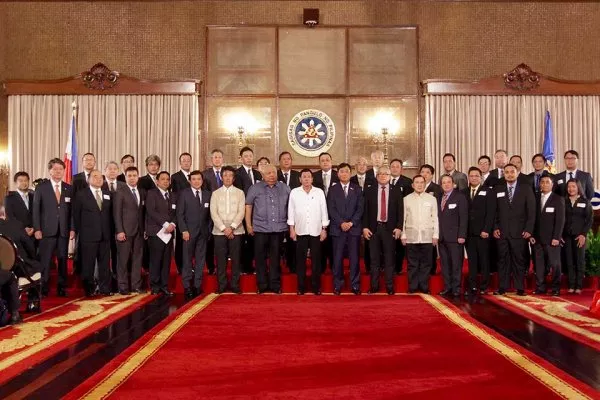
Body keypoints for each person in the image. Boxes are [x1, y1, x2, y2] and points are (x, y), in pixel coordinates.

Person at [33, 158, 75, 297]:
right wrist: (37, 228)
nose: (58, 171)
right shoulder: (41, 187)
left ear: (64, 171)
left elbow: (72, 212)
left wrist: (72, 229)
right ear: (50, 170)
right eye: (55, 169)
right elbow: (36, 210)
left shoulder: (68, 188)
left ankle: (62, 287)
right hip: (46, 231)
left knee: (63, 260)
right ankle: (43, 288)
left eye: (60, 169)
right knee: (45, 260)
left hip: (63, 230)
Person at [245, 165, 290, 294]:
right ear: (262, 175)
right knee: (260, 258)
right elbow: (248, 206)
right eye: (268, 173)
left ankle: (275, 285)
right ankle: (262, 285)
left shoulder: (284, 188)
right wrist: (249, 225)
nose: (272, 175)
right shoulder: (255, 188)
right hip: (260, 229)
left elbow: (292, 207)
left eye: (274, 173)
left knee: (275, 258)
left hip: (278, 229)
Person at [493, 163, 536, 296]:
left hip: (520, 232)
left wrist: (529, 229)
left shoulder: (526, 189)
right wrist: (495, 227)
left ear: (517, 173)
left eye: (512, 172)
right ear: (503, 174)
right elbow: (494, 211)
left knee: (519, 260)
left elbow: (532, 211)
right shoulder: (498, 189)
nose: (510, 174)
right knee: (502, 260)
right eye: (507, 172)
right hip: (502, 232)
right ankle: (502, 287)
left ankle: (520, 287)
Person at [362, 166, 403, 295]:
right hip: (373, 229)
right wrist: (365, 227)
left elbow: (400, 211)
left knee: (389, 259)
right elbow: (365, 211)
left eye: (386, 174)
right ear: (376, 176)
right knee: (374, 260)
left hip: (390, 229)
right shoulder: (369, 190)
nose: (383, 176)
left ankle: (389, 287)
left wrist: (399, 227)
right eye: (380, 174)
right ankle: (374, 287)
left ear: (390, 176)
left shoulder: (396, 190)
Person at [288, 169, 329, 295]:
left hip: (316, 231)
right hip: (300, 230)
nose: (306, 179)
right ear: (300, 179)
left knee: (316, 261)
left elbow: (324, 211)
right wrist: (292, 229)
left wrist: (324, 229)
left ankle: (316, 287)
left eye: (309, 177)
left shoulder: (319, 192)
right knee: (300, 261)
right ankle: (301, 287)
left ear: (312, 179)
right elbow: (291, 211)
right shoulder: (294, 192)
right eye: (304, 177)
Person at [73, 170, 113, 297]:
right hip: (88, 236)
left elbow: (111, 215)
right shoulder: (81, 194)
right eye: (95, 176)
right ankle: (89, 289)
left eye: (101, 177)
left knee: (105, 264)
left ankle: (105, 289)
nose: (98, 179)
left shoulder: (108, 194)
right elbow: (76, 216)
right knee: (88, 264)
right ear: (88, 179)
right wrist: (78, 232)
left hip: (105, 235)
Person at [328, 163, 363, 295]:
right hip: (338, 229)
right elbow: (331, 209)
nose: (344, 174)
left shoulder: (357, 189)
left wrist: (351, 223)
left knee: (354, 259)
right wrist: (341, 222)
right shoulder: (333, 190)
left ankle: (355, 285)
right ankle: (338, 285)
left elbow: (360, 209)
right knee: (337, 259)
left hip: (353, 229)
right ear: (337, 174)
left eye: (347, 171)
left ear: (350, 173)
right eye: (341, 171)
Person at [210, 166, 245, 294]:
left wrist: (232, 227)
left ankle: (235, 285)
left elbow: (241, 212)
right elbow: (213, 213)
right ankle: (222, 285)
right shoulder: (215, 193)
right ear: (221, 177)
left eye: (230, 175)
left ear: (234, 178)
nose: (228, 178)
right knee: (221, 260)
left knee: (236, 259)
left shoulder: (240, 193)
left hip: (237, 230)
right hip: (219, 231)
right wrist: (224, 228)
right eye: (225, 175)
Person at [177, 171, 212, 300]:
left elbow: (210, 216)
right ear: (190, 181)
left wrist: (208, 230)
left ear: (202, 181)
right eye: (194, 179)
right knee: (187, 261)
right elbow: (180, 214)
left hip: (203, 233)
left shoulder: (208, 194)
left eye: (199, 179)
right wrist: (184, 230)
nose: (196, 181)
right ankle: (187, 287)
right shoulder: (184, 194)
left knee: (200, 261)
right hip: (188, 233)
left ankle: (197, 286)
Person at [401, 175, 438, 294]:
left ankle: (424, 286)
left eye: (422, 182)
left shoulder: (431, 199)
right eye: (417, 182)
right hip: (411, 236)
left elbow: (435, 218)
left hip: (427, 236)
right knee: (412, 263)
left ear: (425, 184)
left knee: (426, 264)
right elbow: (403, 219)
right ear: (413, 185)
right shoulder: (406, 199)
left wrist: (435, 234)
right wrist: (403, 234)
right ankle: (413, 286)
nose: (419, 184)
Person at [462, 167, 495, 295]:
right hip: (469, 233)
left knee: (484, 260)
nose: (474, 178)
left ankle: (484, 285)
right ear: (468, 178)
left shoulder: (488, 191)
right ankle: (472, 286)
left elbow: (491, 212)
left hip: (483, 232)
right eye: (471, 176)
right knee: (472, 260)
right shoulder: (463, 192)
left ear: (480, 177)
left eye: (476, 175)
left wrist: (486, 229)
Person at [113, 166, 146, 295]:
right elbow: (116, 214)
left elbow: (141, 212)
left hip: (139, 231)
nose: (132, 178)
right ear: (125, 177)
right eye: (129, 176)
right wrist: (119, 231)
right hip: (124, 231)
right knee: (123, 260)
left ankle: (136, 285)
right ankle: (122, 286)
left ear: (138, 177)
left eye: (134, 175)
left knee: (138, 258)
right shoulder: (120, 192)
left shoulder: (141, 191)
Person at [0, 213, 42, 313]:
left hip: (2, 270)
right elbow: (30, 247)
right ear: (4, 214)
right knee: (37, 266)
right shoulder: (16, 225)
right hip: (18, 268)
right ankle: (33, 302)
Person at [530, 176, 565, 296]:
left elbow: (560, 220)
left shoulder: (558, 199)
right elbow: (532, 218)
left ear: (552, 185)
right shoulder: (535, 198)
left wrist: (557, 237)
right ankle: (541, 287)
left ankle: (555, 288)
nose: (544, 184)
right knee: (539, 265)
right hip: (537, 238)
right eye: (542, 182)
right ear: (540, 184)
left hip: (552, 239)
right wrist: (531, 235)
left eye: (547, 182)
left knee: (555, 265)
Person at [145, 171, 177, 296]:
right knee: (155, 261)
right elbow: (151, 211)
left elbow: (176, 213)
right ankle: (155, 286)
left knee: (166, 261)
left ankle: (164, 286)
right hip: (157, 232)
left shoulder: (173, 195)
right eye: (162, 179)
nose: (165, 181)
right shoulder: (151, 193)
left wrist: (173, 225)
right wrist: (165, 224)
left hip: (169, 233)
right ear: (157, 181)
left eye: (167, 179)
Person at [437, 175, 468, 297]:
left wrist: (462, 235)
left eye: (448, 182)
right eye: (443, 182)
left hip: (456, 238)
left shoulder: (460, 197)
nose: (446, 184)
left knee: (456, 264)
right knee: (445, 265)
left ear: (453, 184)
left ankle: (456, 288)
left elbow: (464, 218)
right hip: (441, 237)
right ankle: (447, 287)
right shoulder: (438, 197)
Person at [563, 179, 593, 294]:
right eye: (569, 187)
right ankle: (571, 285)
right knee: (569, 261)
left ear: (578, 187)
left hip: (579, 236)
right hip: (567, 236)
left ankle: (579, 286)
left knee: (579, 261)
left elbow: (589, 220)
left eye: (573, 186)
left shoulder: (585, 201)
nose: (571, 189)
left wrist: (583, 234)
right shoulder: (563, 201)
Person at [236, 146, 262, 275]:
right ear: (241, 158)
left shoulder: (257, 173)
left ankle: (252, 265)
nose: (249, 158)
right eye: (246, 156)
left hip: (257, 212)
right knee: (243, 241)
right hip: (242, 211)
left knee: (254, 241)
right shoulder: (237, 173)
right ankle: (243, 266)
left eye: (251, 156)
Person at [103, 161, 126, 291]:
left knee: (119, 253)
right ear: (105, 171)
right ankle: (106, 279)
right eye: (109, 169)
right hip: (105, 225)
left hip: (121, 226)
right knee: (105, 254)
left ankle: (118, 278)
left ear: (118, 171)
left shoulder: (123, 186)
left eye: (114, 169)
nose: (112, 171)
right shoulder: (101, 185)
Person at [277, 151, 300, 273]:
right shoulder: (274, 175)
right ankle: (278, 265)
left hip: (295, 214)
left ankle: (293, 265)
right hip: (279, 213)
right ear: (280, 161)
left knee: (293, 240)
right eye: (284, 159)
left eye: (288, 159)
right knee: (278, 241)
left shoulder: (298, 175)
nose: (286, 161)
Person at [170, 152, 193, 276]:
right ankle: (180, 266)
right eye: (183, 160)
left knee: (191, 241)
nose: (186, 162)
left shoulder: (195, 176)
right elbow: (173, 196)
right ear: (180, 162)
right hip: (181, 213)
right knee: (180, 242)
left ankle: (190, 265)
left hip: (193, 214)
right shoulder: (175, 177)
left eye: (188, 160)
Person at [390, 158, 412, 274]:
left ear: (401, 169)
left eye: (397, 166)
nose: (394, 168)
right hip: (387, 219)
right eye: (392, 166)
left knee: (399, 246)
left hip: (401, 217)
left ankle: (397, 268)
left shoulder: (408, 182)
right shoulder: (384, 180)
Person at [4, 172, 35, 244]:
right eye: (20, 181)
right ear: (15, 182)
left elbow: (38, 214)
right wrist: (24, 229)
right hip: (19, 234)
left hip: (34, 234)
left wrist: (34, 228)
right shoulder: (9, 198)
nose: (24, 183)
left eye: (26, 180)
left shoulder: (34, 197)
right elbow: (10, 217)